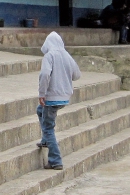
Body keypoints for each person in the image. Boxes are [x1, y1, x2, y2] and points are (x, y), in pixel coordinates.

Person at [36, 31, 81, 170]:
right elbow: (77, 75)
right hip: (64, 97)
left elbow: (44, 75)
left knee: (48, 128)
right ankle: (45, 141)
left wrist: (42, 93)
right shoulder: (67, 55)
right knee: (40, 111)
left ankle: (55, 160)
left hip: (51, 97)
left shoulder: (49, 56)